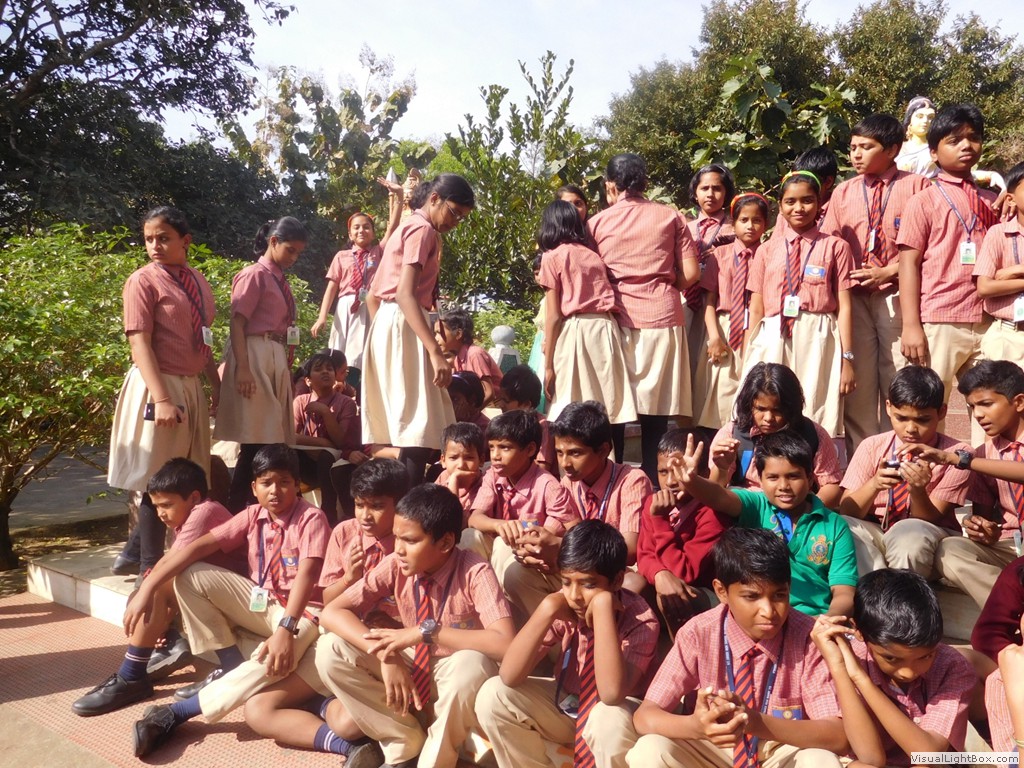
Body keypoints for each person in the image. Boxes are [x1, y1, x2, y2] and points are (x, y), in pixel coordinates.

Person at [124, 444, 330, 757]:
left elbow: (307, 575)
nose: (275, 491)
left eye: (284, 482)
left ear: (297, 485)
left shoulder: (311, 518)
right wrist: (147, 588)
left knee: (270, 659)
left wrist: (285, 629)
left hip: (301, 613)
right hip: (263, 602)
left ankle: (176, 714)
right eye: (266, 483)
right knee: (189, 574)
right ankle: (230, 661)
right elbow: (196, 548)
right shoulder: (252, 514)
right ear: (254, 487)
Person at [314, 484, 516, 768]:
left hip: (452, 673)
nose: (398, 549)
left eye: (410, 541)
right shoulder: (395, 564)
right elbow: (332, 611)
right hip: (412, 663)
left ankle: (435, 759)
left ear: (445, 543)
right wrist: (386, 655)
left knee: (472, 663)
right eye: (396, 537)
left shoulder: (475, 571)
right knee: (330, 648)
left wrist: (426, 633)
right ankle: (404, 742)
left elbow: (505, 643)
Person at [626, 527, 848, 768]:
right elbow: (645, 716)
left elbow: (836, 734)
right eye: (752, 597)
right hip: (714, 745)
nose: (769, 611)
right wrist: (696, 726)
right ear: (721, 591)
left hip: (780, 747)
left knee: (819, 760)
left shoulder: (808, 637)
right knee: (651, 751)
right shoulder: (699, 632)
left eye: (779, 595)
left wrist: (755, 722)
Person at [241, 458, 409, 766]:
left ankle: (327, 707)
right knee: (257, 709)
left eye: (377, 506)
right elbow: (328, 600)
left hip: (384, 651)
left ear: (400, 505)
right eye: (359, 505)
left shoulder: (409, 543)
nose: (365, 516)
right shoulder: (345, 532)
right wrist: (350, 578)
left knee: (348, 722)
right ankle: (340, 736)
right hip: (341, 643)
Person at [476, 520, 660, 767]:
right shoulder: (564, 605)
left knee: (607, 718)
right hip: (569, 703)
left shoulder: (641, 621)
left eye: (588, 584)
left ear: (617, 581)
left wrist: (603, 608)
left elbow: (611, 694)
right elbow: (509, 674)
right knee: (493, 694)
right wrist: (547, 608)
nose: (574, 596)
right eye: (566, 582)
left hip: (621, 719)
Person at [73, 459, 239, 716]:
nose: (160, 513)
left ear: (194, 497)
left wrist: (146, 594)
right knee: (159, 585)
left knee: (163, 583)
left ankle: (133, 675)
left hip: (244, 594)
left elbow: (170, 565)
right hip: (216, 593)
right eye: (157, 506)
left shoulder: (205, 512)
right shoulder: (185, 518)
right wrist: (146, 599)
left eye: (167, 505)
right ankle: (138, 670)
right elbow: (168, 562)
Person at [108, 206, 220, 575]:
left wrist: (215, 385)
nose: (154, 245)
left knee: (186, 474)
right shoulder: (142, 281)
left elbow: (203, 339)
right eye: (148, 239)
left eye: (163, 238)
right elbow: (138, 343)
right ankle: (148, 568)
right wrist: (162, 400)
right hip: (158, 385)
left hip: (189, 385)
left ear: (185, 241)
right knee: (157, 478)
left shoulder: (197, 281)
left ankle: (132, 554)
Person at [820, 113, 930, 456]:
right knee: (860, 388)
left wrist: (890, 271)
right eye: (853, 147)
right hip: (854, 299)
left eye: (866, 147)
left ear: (893, 149)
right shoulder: (843, 192)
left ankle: (904, 459)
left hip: (897, 295)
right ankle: (867, 462)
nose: (856, 154)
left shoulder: (918, 187)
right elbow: (828, 245)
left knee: (899, 376)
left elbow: (929, 248)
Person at [587, 152, 700, 482]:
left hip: (615, 319)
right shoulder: (670, 216)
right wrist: (663, 287)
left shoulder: (596, 223)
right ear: (645, 182)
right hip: (662, 315)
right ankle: (653, 482)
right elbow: (691, 273)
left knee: (615, 408)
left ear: (610, 185)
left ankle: (616, 482)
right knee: (656, 412)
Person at [361, 173, 475, 484]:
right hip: (404, 320)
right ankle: (408, 505)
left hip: (392, 322)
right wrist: (435, 351)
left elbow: (373, 296)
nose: (455, 222)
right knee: (418, 429)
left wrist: (386, 335)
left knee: (418, 428)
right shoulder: (422, 229)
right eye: (454, 212)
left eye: (462, 218)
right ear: (434, 198)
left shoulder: (409, 227)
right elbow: (404, 294)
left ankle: (404, 501)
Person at [674, 431, 857, 617]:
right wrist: (692, 481)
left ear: (810, 479)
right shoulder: (756, 506)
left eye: (793, 476)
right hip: (758, 618)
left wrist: (827, 621)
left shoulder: (834, 525)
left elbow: (844, 592)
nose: (784, 486)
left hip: (814, 619)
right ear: (760, 480)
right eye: (773, 477)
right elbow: (718, 497)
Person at [897, 103, 1000, 423]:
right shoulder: (922, 201)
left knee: (993, 413)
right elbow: (908, 264)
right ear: (933, 152)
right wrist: (911, 326)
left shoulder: (992, 202)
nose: (966, 145)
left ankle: (985, 461)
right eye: (954, 140)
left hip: (988, 321)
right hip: (939, 321)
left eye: (973, 138)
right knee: (925, 412)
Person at [810, 569, 975, 767]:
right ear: (859, 632)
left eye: (925, 656)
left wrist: (862, 679)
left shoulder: (952, 666)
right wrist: (842, 671)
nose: (908, 672)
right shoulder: (848, 657)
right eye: (891, 658)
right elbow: (870, 758)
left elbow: (929, 755)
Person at [744, 170, 855, 439]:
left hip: (817, 334)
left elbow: (845, 306)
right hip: (773, 333)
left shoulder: (836, 247)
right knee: (768, 402)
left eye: (807, 200)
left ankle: (814, 459)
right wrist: (748, 354)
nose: (799, 208)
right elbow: (756, 306)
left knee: (813, 404)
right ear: (780, 206)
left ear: (818, 203)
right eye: (790, 201)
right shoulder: (766, 250)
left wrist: (848, 359)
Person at [839, 365, 971, 578]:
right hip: (878, 528)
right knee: (843, 527)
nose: (910, 429)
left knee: (909, 535)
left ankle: (903, 594)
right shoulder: (872, 446)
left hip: (928, 536)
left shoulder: (957, 455)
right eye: (901, 418)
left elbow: (931, 519)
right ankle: (877, 589)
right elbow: (847, 510)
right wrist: (874, 484)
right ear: (888, 408)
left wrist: (918, 490)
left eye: (922, 420)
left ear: (942, 412)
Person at [216, 216, 308, 512]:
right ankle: (236, 509)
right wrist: (243, 368)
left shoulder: (279, 279)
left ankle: (250, 508)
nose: (293, 258)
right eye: (290, 250)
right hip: (254, 353)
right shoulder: (254, 275)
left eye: (298, 253)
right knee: (256, 439)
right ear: (273, 241)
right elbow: (237, 322)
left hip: (274, 354)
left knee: (270, 438)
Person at [465, 410, 578, 620]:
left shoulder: (548, 486)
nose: (495, 455)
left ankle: (504, 619)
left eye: (505, 447)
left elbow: (573, 530)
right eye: (492, 447)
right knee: (469, 537)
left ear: (530, 449)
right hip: (505, 555)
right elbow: (474, 518)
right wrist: (500, 525)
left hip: (537, 562)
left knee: (503, 546)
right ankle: (475, 611)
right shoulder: (493, 476)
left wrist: (536, 536)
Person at [537, 199, 637, 429]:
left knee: (569, 407)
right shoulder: (593, 256)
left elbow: (553, 316)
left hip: (576, 331)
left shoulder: (551, 257)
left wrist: (548, 366)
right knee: (604, 406)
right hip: (606, 329)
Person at [708, 362, 843, 509]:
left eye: (777, 410)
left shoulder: (814, 435)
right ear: (749, 405)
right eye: (761, 409)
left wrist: (808, 513)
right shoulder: (731, 434)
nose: (768, 418)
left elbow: (831, 486)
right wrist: (721, 468)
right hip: (745, 511)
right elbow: (715, 492)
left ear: (791, 408)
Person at [636, 428, 732, 633]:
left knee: (670, 597)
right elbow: (644, 554)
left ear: (703, 474)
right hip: (665, 580)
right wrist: (659, 574)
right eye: (663, 472)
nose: (670, 481)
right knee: (631, 586)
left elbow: (685, 572)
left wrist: (660, 521)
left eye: (679, 471)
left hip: (706, 592)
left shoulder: (713, 512)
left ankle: (683, 650)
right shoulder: (654, 502)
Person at [551, 401, 652, 593]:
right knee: (518, 573)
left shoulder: (631, 481)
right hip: (575, 573)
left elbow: (629, 551)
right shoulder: (567, 484)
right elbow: (552, 528)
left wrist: (561, 545)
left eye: (575, 453)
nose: (565, 463)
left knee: (632, 584)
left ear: (604, 450)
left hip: (612, 573)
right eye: (559, 453)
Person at [698, 192, 769, 430]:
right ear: (733, 222)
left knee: (750, 386)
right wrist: (714, 336)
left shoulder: (769, 254)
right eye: (744, 220)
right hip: (723, 328)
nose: (750, 226)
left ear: (765, 224)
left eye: (757, 220)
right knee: (717, 393)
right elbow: (709, 300)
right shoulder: (720, 255)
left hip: (757, 328)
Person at [311, 205, 401, 380]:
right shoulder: (341, 256)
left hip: (369, 305)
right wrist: (322, 317)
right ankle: (338, 385)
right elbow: (331, 288)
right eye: (356, 227)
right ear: (350, 234)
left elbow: (392, 228)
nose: (361, 231)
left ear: (373, 233)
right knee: (339, 349)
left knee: (363, 350)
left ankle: (358, 385)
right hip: (346, 307)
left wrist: (398, 199)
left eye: (366, 227)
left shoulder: (378, 252)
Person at [685, 164, 737, 416]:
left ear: (726, 193)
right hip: (687, 304)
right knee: (685, 370)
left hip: (718, 307)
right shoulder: (685, 228)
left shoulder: (735, 228)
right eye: (704, 188)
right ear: (695, 192)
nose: (710, 194)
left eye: (717, 188)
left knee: (713, 371)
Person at [293, 351, 367, 525]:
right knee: (286, 453)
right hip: (307, 462)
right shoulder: (300, 401)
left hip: (333, 461)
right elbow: (290, 436)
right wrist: (323, 442)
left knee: (326, 456)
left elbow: (340, 442)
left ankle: (329, 515)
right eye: (318, 369)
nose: (325, 372)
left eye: (329, 369)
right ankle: (295, 510)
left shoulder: (346, 403)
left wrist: (326, 413)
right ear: (308, 380)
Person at [976, 161, 1024, 370]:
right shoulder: (998, 233)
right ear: (1010, 198)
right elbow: (985, 287)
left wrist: (1008, 274)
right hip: (1008, 336)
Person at [436, 307, 505, 406]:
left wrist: (470, 413)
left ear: (458, 334)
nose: (436, 338)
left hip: (495, 407)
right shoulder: (458, 359)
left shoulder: (475, 354)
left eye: (440, 333)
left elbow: (489, 393)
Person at [499, 364, 558, 474]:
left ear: (526, 404)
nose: (500, 405)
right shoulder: (507, 424)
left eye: (506, 401)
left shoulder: (542, 427)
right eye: (500, 399)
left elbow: (542, 467)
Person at [435, 421, 485, 524]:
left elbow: (453, 522)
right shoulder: (443, 477)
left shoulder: (485, 484)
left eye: (469, 458)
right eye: (453, 458)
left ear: (481, 460)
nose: (461, 465)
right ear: (443, 461)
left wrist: (454, 481)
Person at [895, 96, 937, 176]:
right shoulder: (898, 148)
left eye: (930, 117)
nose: (926, 121)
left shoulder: (937, 148)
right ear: (909, 119)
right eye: (920, 116)